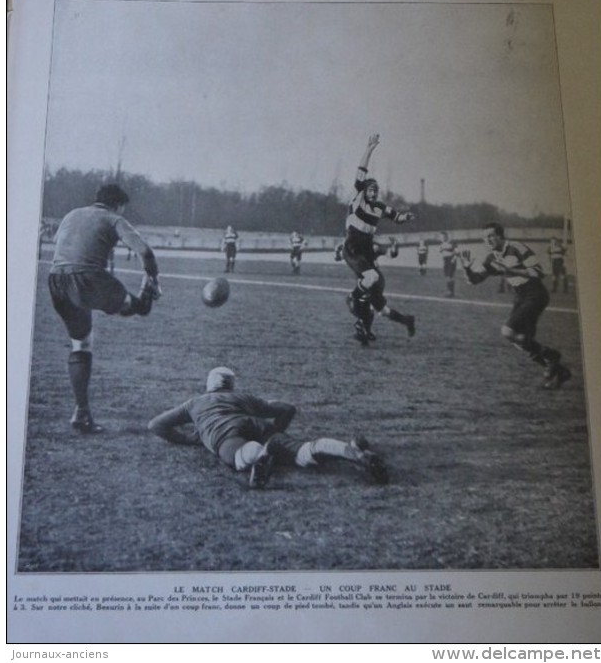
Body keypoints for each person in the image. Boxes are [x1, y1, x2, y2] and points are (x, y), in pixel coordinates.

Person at [148, 367, 389, 488]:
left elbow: (156, 425)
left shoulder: (194, 404)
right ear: (230, 385)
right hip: (255, 424)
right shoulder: (240, 397)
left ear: (208, 385)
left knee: (242, 456)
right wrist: (275, 431)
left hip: (224, 433)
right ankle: (353, 453)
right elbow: (287, 408)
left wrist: (191, 439)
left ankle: (262, 456)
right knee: (304, 451)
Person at [48, 183, 162, 433]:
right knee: (140, 307)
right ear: (118, 204)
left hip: (56, 280)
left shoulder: (72, 214)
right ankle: (147, 292)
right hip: (87, 278)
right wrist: (152, 279)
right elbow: (145, 251)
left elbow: (62, 241)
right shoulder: (113, 218)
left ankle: (81, 413)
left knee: (81, 344)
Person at [458, 222, 571, 390]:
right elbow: (475, 280)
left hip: (535, 294)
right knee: (521, 341)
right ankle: (559, 370)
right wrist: (466, 268)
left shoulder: (517, 248)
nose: (487, 240)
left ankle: (552, 357)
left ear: (500, 236)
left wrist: (511, 270)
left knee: (508, 331)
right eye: (484, 237)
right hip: (520, 297)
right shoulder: (491, 257)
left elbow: (539, 272)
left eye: (491, 236)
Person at [342, 134, 415, 346]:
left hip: (365, 249)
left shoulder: (380, 207)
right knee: (371, 279)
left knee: (378, 301)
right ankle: (354, 301)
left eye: (376, 189)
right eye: (370, 189)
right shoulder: (358, 198)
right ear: (363, 191)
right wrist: (369, 149)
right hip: (353, 246)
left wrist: (406, 217)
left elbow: (397, 217)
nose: (373, 191)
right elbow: (361, 170)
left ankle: (366, 326)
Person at [439, 231, 458, 297]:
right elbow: (442, 254)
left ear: (446, 236)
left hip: (451, 260)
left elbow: (457, 252)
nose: (442, 238)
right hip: (445, 261)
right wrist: (443, 262)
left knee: (450, 275)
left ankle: (451, 292)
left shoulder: (452, 242)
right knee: (447, 276)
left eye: (443, 236)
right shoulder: (441, 245)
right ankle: (450, 292)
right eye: (441, 237)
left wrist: (453, 259)